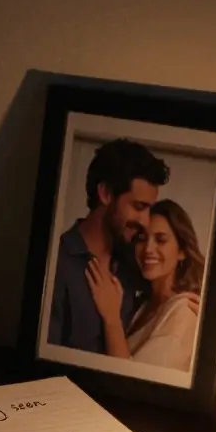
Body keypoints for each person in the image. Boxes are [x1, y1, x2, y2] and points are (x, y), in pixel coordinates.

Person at [46, 138, 169, 352]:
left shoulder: (132, 263)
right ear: (105, 194)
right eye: (139, 206)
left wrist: (186, 305)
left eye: (149, 209)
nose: (145, 221)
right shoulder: (55, 263)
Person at [86, 198, 205, 371]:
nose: (148, 248)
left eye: (161, 240)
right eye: (142, 238)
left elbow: (131, 381)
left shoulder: (184, 311)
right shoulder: (144, 304)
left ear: (182, 251)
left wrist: (111, 319)